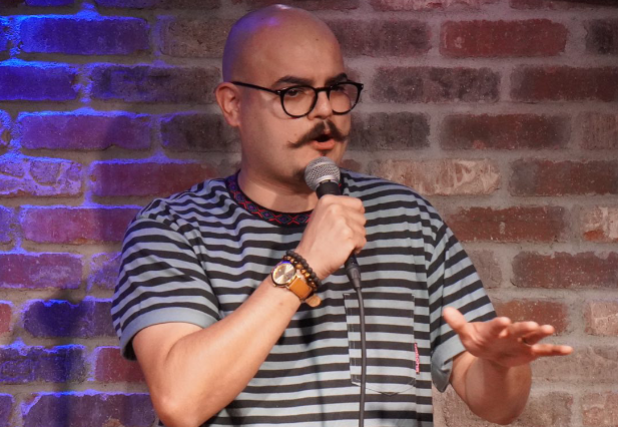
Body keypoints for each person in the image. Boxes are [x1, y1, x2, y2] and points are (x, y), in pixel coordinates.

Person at [111, 5, 573, 427]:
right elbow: (180, 401)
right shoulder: (173, 229)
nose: (325, 111)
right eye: (294, 92)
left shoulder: (407, 219)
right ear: (233, 104)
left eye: (335, 88)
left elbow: (498, 405)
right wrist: (303, 267)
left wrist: (500, 365)